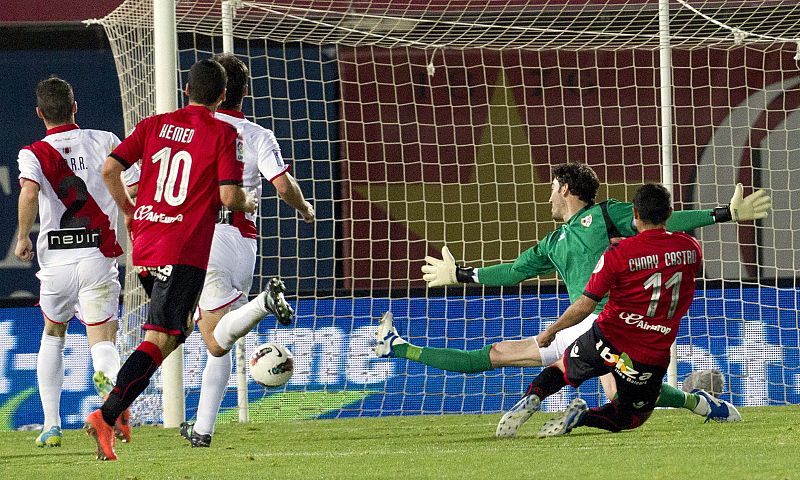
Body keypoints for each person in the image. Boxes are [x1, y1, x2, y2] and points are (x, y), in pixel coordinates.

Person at [376, 163, 768, 421]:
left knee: (623, 394)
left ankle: (699, 403)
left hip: (614, 323)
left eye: (551, 187)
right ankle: (399, 347)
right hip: (578, 326)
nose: (547, 195)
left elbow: (664, 220)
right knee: (496, 354)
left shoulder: (604, 215)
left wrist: (723, 214)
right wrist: (462, 275)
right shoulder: (552, 243)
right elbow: (513, 272)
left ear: (565, 188)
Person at [84, 59, 257, 461]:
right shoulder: (223, 132)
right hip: (182, 250)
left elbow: (110, 168)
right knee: (161, 338)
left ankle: (119, 403)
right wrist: (247, 200)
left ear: (186, 90)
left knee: (172, 333)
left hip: (146, 244)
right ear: (221, 96)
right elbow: (230, 198)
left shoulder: (154, 124)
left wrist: (128, 209)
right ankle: (108, 414)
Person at [179, 53, 315, 448]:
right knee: (220, 341)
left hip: (204, 238)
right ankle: (202, 429)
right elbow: (283, 185)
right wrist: (305, 209)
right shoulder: (258, 134)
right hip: (243, 241)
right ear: (243, 92)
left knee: (214, 339)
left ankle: (262, 304)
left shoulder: (190, 130)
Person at [495, 183, 705, 437]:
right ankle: (581, 417)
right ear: (670, 213)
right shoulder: (691, 248)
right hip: (650, 350)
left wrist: (551, 331)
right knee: (630, 417)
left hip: (609, 336)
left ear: (635, 215)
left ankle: (532, 398)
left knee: (561, 369)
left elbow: (586, 304)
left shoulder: (618, 254)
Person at [15, 76, 139, 448]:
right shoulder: (105, 141)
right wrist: (127, 210)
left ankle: (51, 425)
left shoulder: (33, 152)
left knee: (53, 335)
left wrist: (23, 236)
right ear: (75, 107)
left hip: (57, 260)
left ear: (39, 113)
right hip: (97, 256)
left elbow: (29, 191)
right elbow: (132, 184)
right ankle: (112, 411)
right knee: (101, 341)